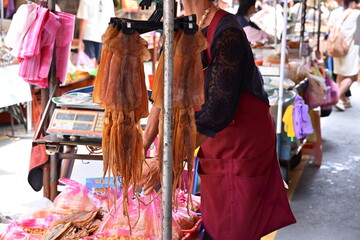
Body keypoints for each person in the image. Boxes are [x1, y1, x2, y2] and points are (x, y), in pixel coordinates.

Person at [141, 1, 296, 239]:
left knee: (234, 230)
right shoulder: (179, 25)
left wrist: (164, 160)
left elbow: (217, 112)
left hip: (241, 145)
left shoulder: (228, 31)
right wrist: (142, 147)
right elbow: (162, 96)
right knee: (216, 226)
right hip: (212, 144)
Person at [327, 0, 360, 111]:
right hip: (350, 50)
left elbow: (330, 27)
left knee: (340, 75)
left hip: (337, 47)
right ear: (354, 3)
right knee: (352, 76)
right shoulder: (356, 14)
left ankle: (342, 99)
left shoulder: (338, 13)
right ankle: (336, 98)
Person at [76, 0, 115, 66]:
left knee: (90, 64)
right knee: (101, 65)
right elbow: (112, 21)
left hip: (89, 36)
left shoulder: (84, 1)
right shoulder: (109, 1)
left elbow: (83, 20)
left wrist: (80, 40)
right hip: (104, 36)